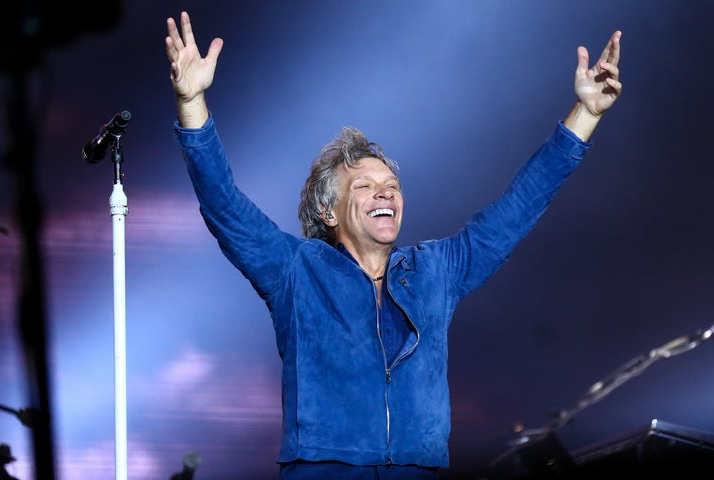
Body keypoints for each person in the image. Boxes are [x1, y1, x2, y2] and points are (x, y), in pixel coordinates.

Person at [165, 10, 622, 480]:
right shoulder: (296, 270)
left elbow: (518, 207)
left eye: (391, 184)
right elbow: (224, 206)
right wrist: (193, 104)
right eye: (364, 186)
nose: (385, 192)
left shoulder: (437, 269)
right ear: (329, 212)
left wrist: (584, 114)